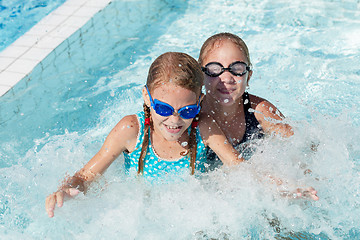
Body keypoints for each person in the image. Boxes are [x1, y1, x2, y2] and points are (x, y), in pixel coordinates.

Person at [45, 52, 244, 218]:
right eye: (164, 110)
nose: (174, 120)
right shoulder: (132, 129)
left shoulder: (204, 127)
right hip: (141, 215)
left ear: (199, 101)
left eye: (187, 111)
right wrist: (66, 190)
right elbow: (86, 175)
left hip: (189, 216)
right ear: (147, 97)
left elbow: (239, 168)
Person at [198, 32, 294, 167]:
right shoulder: (189, 112)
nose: (226, 78)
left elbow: (299, 147)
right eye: (214, 69)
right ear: (200, 76)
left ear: (248, 77)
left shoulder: (259, 111)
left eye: (237, 69)